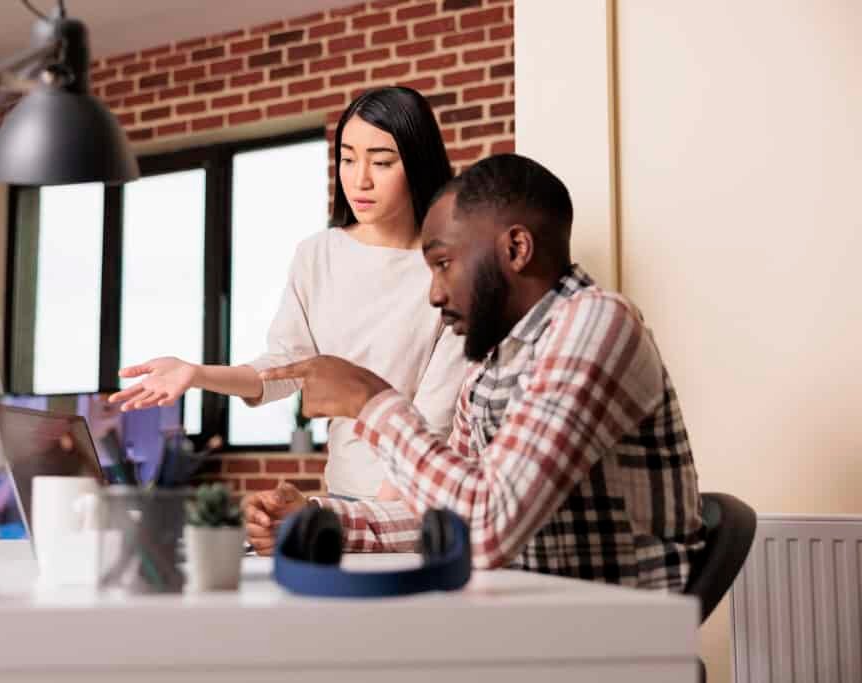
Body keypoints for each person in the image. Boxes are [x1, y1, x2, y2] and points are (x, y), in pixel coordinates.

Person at [244, 154, 705, 591]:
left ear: (516, 248)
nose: (435, 294)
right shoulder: (492, 367)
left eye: (444, 263)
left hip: (615, 638)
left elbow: (485, 528)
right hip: (534, 624)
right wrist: (318, 519)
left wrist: (371, 400)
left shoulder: (597, 322)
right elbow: (449, 513)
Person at [108, 87, 468, 501]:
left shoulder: (449, 269)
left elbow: (434, 420)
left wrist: (370, 518)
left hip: (421, 500)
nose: (360, 178)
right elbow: (285, 368)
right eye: (348, 158)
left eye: (382, 162)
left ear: (418, 164)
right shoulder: (319, 254)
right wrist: (197, 373)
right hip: (345, 494)